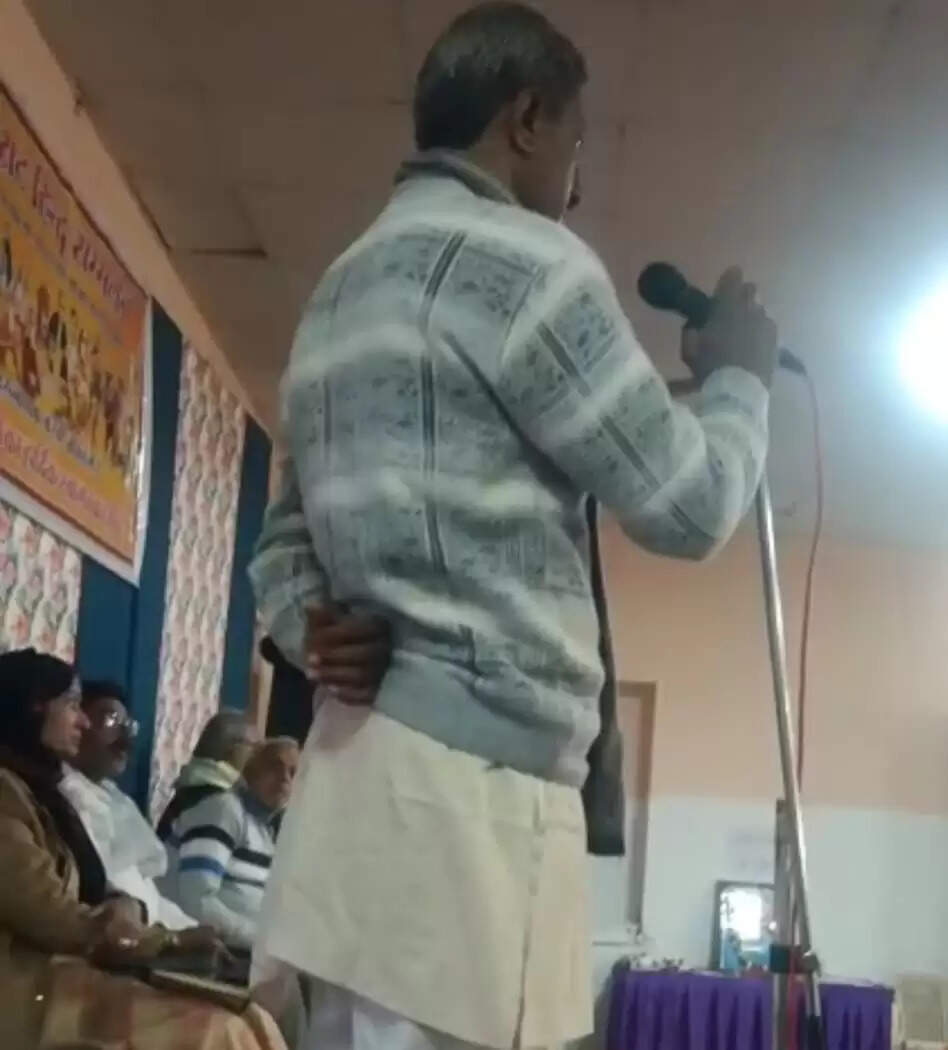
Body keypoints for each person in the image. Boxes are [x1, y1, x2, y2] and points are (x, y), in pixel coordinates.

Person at [249, 4, 778, 1049]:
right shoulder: (532, 264)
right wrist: (741, 386)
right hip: (467, 821)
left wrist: (307, 628)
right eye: (576, 144)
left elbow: (280, 542)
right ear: (527, 118)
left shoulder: (336, 294)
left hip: (352, 796)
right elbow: (690, 506)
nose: (574, 185)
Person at [0, 648, 287, 1050]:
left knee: (254, 1018)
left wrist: (133, 913)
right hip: (29, 992)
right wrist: (167, 941)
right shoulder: (7, 795)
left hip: (74, 970)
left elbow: (95, 893)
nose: (82, 720)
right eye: (72, 705)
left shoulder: (44, 795)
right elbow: (53, 916)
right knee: (220, 1032)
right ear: (33, 707)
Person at [60, 679, 197, 930]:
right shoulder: (64, 796)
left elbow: (149, 892)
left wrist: (190, 929)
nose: (125, 740)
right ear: (77, 724)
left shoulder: (115, 799)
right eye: (110, 721)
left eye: (128, 726)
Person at [164, 739, 299, 951]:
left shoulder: (265, 831)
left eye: (293, 773)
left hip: (238, 949)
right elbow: (196, 901)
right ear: (250, 771)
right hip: (194, 947)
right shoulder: (224, 810)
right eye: (275, 766)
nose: (285, 778)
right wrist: (260, 943)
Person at [156, 709, 260, 840]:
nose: (257, 755)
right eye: (254, 747)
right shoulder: (217, 799)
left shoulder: (194, 787)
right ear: (232, 747)